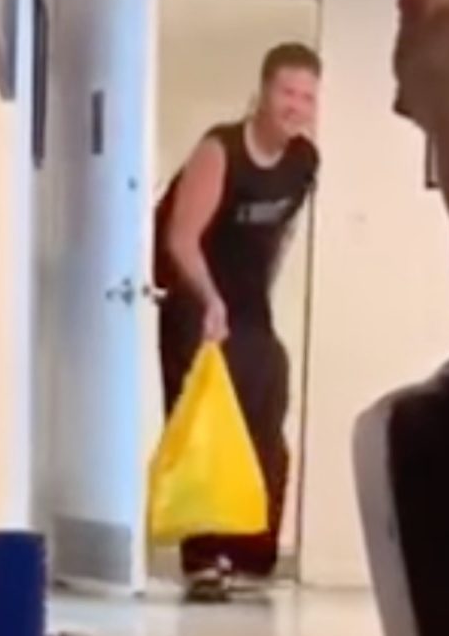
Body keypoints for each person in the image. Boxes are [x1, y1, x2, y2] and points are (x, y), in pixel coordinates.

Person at [153, 43, 321, 602]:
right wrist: (211, 301)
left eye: (307, 97)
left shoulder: (304, 162)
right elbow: (181, 238)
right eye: (287, 92)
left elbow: (280, 236)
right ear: (263, 93)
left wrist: (257, 296)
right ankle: (205, 560)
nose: (296, 106)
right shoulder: (220, 150)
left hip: (250, 310)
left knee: (263, 426)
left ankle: (249, 555)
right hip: (198, 306)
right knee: (208, 433)